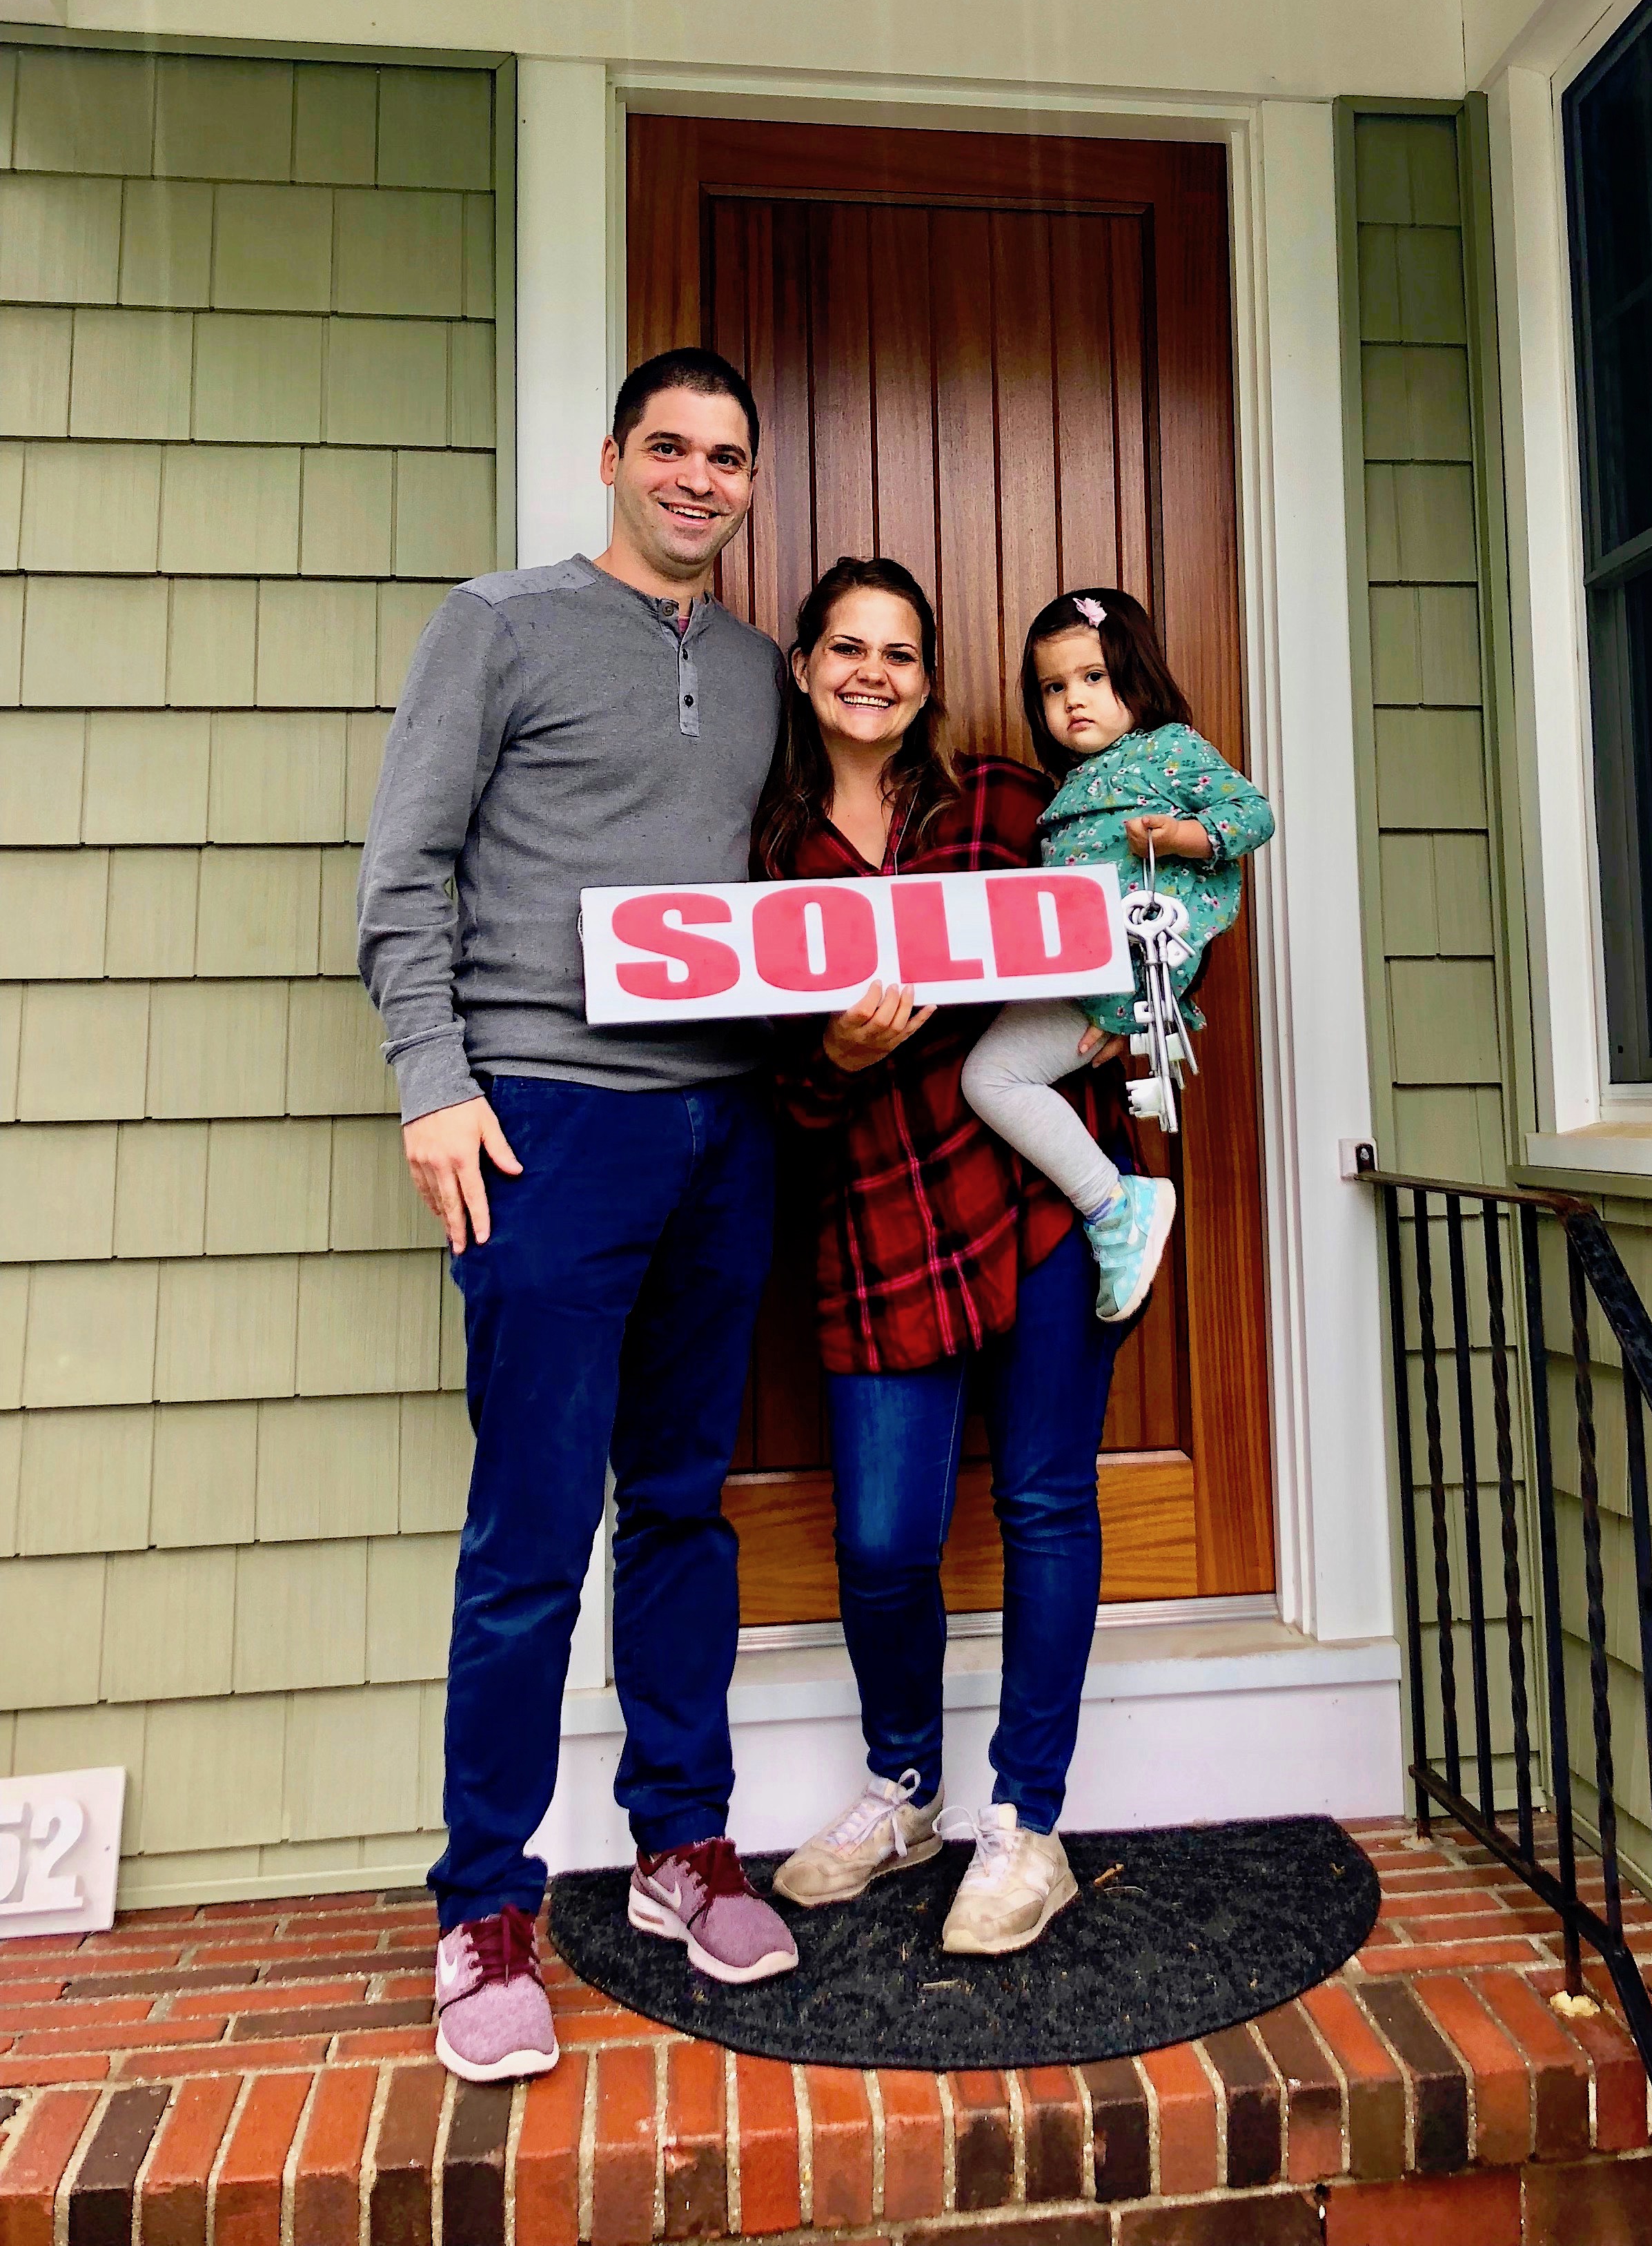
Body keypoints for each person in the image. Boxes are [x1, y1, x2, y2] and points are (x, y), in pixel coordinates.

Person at [357, 346, 799, 2085]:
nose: (699, 477)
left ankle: (681, 1845)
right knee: (533, 1531)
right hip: (542, 1126)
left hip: (723, 1128)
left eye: (729, 457)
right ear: (614, 458)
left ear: (753, 485)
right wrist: (430, 1078)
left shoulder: (765, 671)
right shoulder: (503, 624)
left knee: (683, 1505)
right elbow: (406, 864)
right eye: (670, 447)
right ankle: (485, 1912)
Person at [754, 558, 1128, 1956]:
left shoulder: (1005, 804)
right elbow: (775, 1095)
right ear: (805, 668)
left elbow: (1133, 922)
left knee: (1044, 1505)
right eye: (847, 647)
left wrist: (1124, 1009)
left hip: (1027, 1196)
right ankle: (904, 1788)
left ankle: (1025, 1823)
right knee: (883, 1540)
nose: (872, 672)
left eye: (900, 652)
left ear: (927, 678)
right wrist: (837, 1061)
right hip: (876, 1217)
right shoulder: (774, 854)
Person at [961, 587, 1273, 1325]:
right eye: (1054, 687)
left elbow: (1250, 813)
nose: (1074, 700)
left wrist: (1181, 838)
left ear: (1135, 674)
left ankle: (1113, 1206)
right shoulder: (1073, 782)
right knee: (989, 1067)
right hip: (1076, 962)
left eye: (1094, 677)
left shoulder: (1171, 749)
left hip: (1131, 957)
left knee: (991, 1078)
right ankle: (1114, 1204)